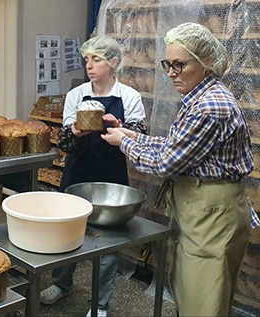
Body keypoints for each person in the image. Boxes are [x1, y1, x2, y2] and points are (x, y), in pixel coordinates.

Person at [102, 22, 259, 316]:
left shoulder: (209, 107)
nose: (171, 73)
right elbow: (178, 147)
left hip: (212, 215)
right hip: (204, 212)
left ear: (205, 63)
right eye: (167, 64)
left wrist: (123, 144)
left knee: (202, 305)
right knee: (193, 297)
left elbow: (166, 163)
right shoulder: (200, 97)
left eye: (179, 65)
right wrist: (134, 136)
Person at [40, 35, 147, 317]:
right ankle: (61, 284)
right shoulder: (77, 95)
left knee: (108, 241)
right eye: (87, 59)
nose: (89, 65)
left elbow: (140, 138)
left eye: (96, 59)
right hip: (78, 171)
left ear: (113, 63)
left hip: (111, 176)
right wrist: (77, 131)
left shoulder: (129, 97)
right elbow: (63, 142)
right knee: (67, 231)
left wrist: (119, 128)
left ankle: (100, 305)